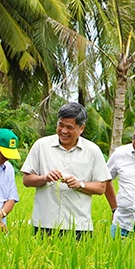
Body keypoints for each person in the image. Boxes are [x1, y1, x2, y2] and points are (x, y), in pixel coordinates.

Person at [21, 102, 110, 240]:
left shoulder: (92, 151)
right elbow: (26, 180)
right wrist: (45, 178)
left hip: (79, 226)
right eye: (60, 125)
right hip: (44, 223)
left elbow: (101, 188)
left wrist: (79, 184)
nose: (63, 131)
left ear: (81, 128)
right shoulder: (41, 145)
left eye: (69, 127)